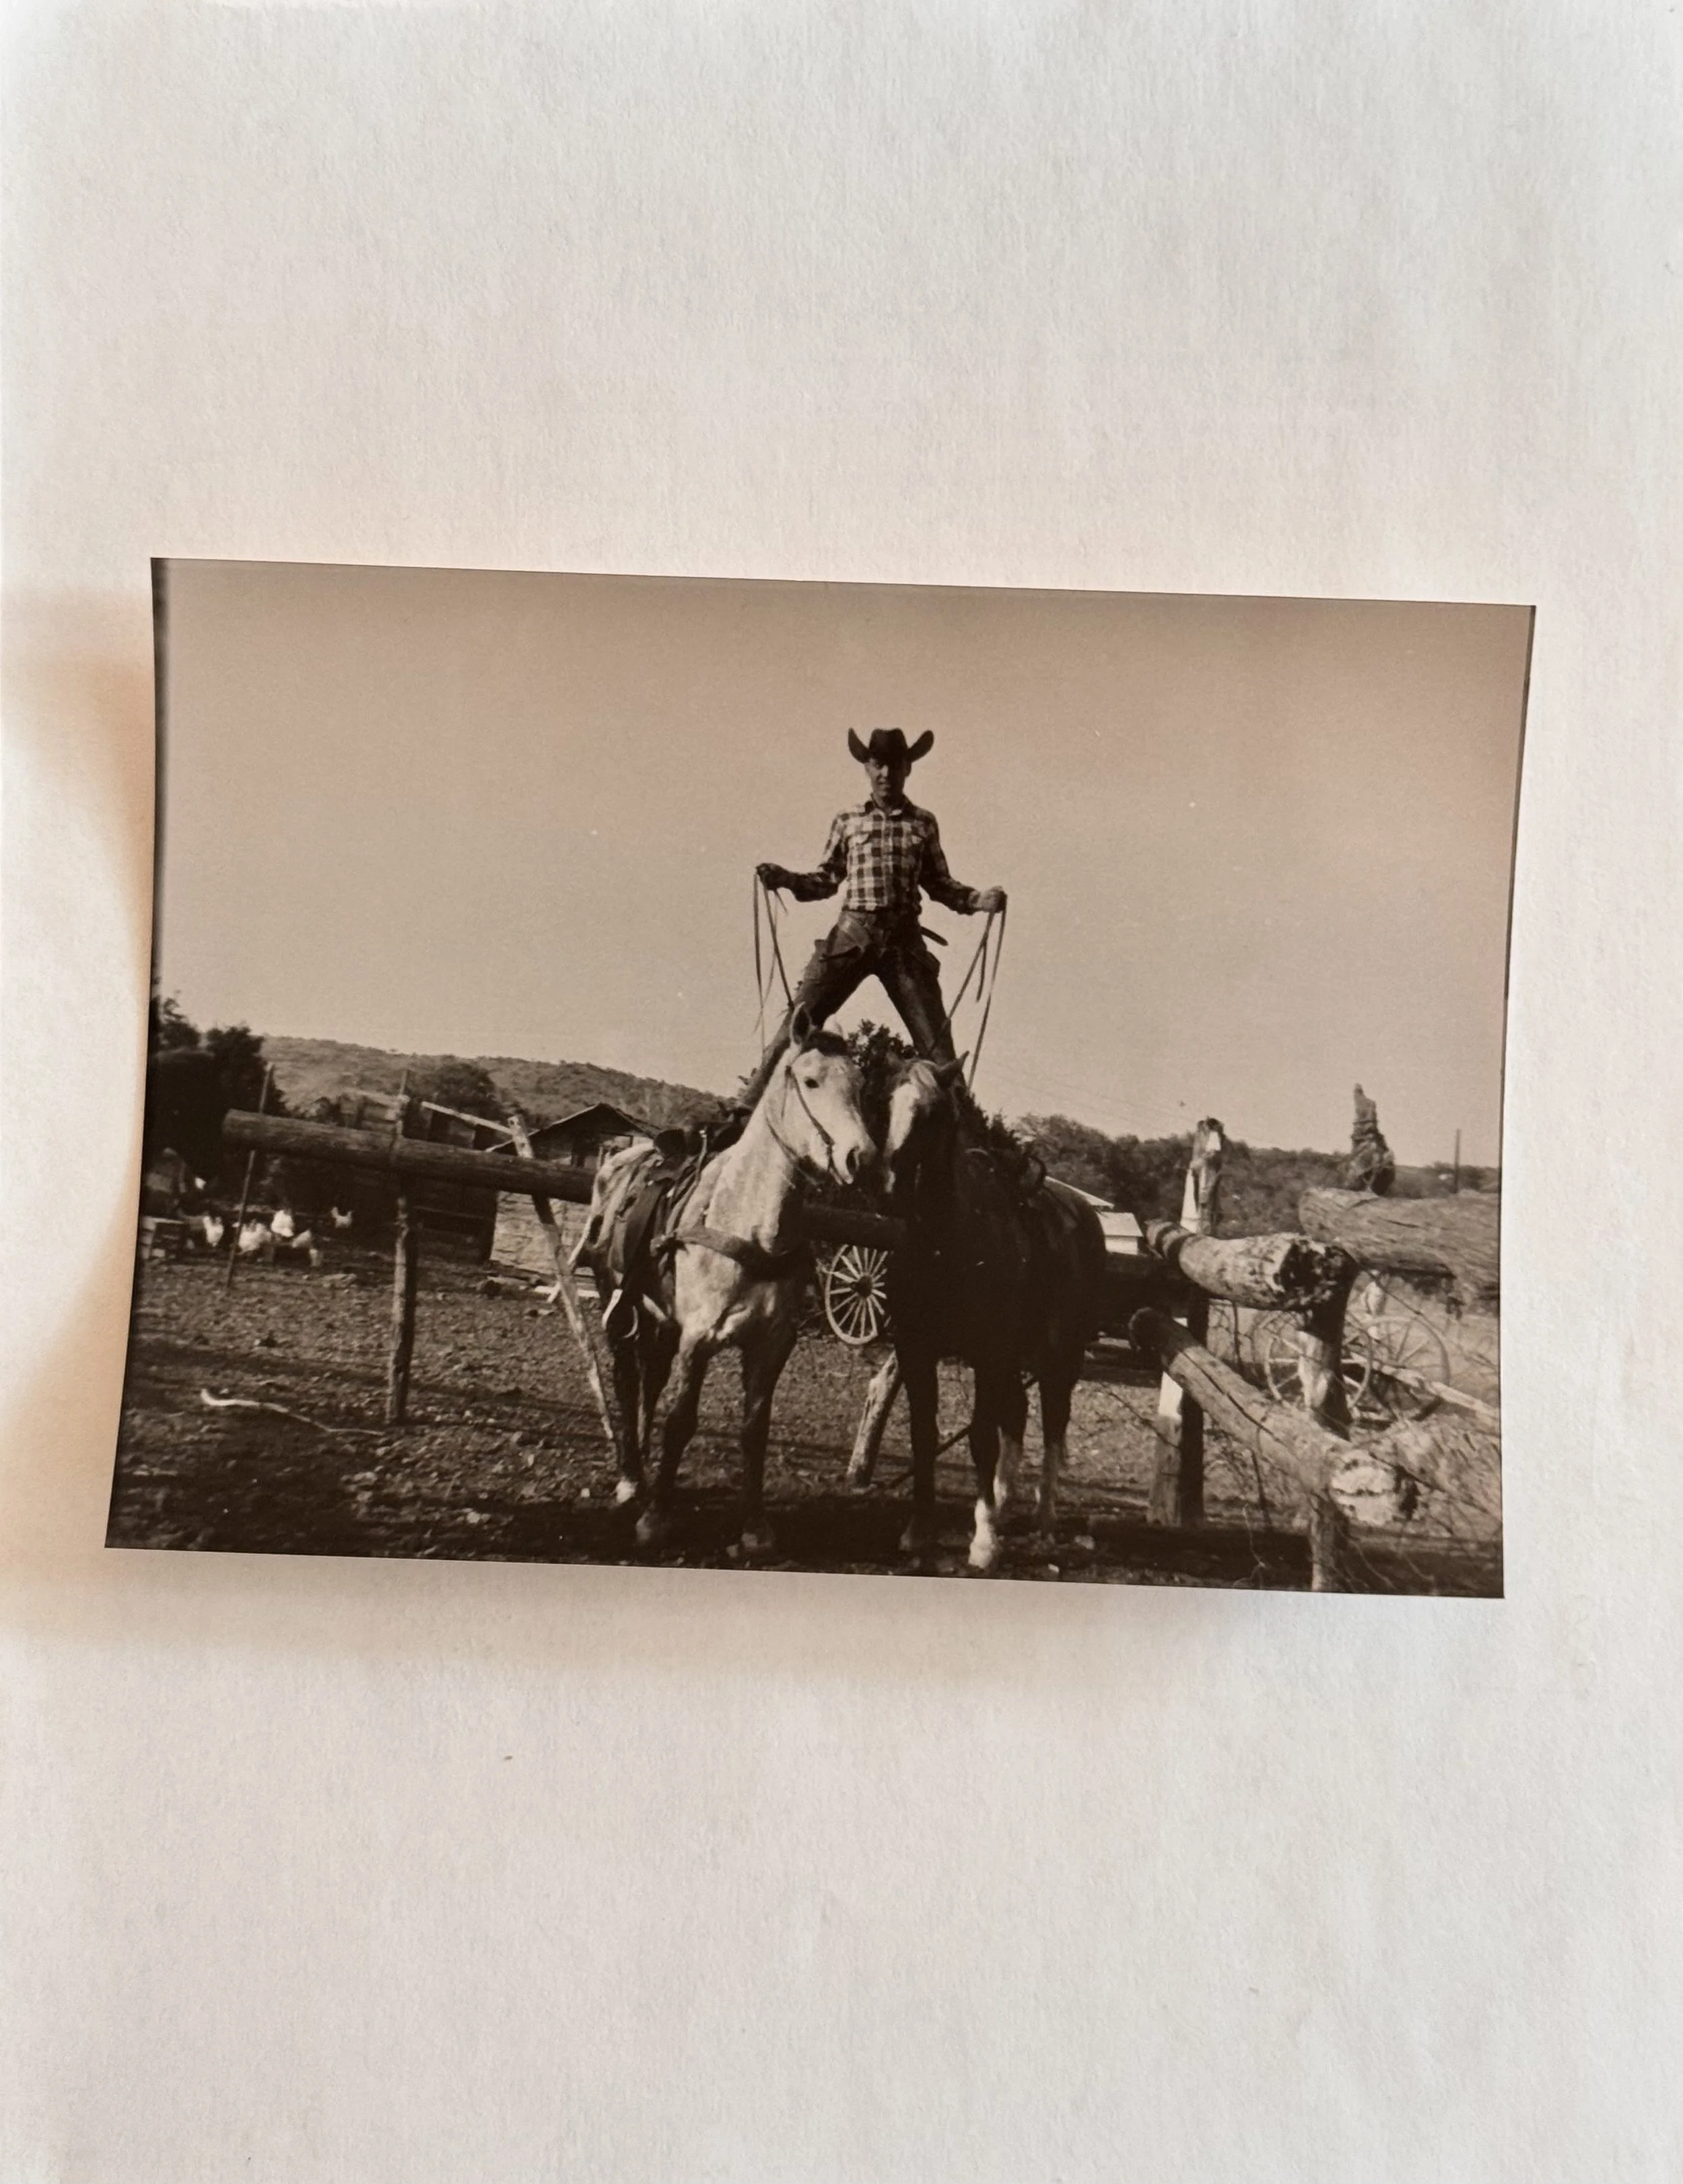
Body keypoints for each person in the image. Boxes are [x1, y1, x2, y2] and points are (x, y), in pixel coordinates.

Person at [730, 727, 1006, 1123]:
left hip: (904, 947)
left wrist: (978, 900)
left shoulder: (923, 824)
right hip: (849, 939)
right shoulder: (848, 821)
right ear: (867, 768)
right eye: (877, 764)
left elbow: (940, 884)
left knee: (939, 1050)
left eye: (894, 765)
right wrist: (787, 878)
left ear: (907, 768)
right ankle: (741, 1116)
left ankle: (972, 1136)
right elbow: (826, 879)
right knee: (796, 1026)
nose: (886, 774)